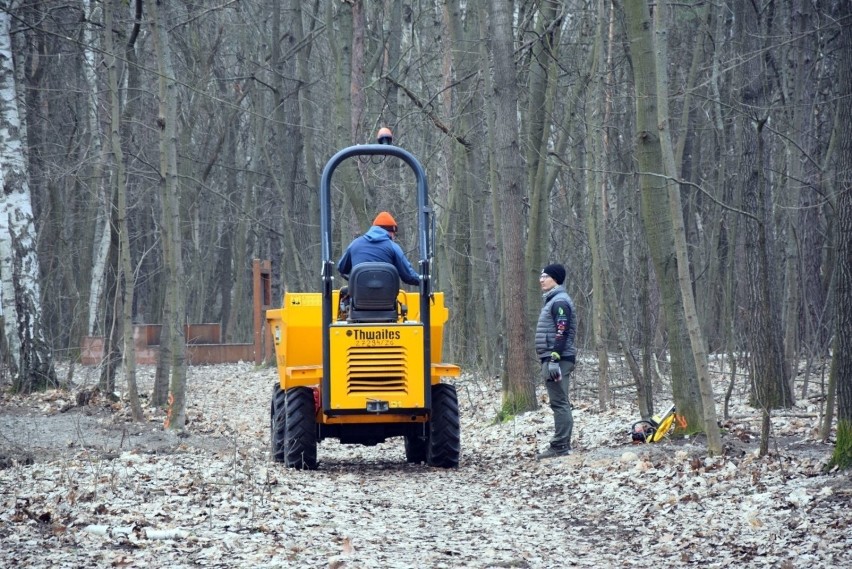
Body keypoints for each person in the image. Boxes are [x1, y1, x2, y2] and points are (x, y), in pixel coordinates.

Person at [535, 263, 578, 460]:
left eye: (546, 276)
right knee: (559, 401)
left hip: (557, 360)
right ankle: (561, 443)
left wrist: (554, 357)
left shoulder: (559, 302)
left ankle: (560, 445)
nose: (541, 279)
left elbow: (562, 331)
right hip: (554, 358)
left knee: (560, 402)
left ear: (556, 279)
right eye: (541, 276)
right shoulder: (554, 300)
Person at [337, 211, 421, 286]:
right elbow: (408, 276)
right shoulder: (393, 247)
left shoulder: (354, 244)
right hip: (387, 301)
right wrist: (422, 279)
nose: (394, 237)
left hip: (358, 300)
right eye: (394, 234)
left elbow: (342, 268)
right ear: (391, 232)